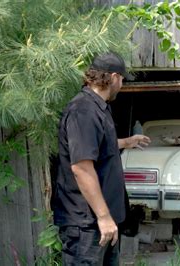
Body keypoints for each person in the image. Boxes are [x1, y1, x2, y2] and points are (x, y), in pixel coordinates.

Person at [52, 51, 151, 265]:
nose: (122, 84)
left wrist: (126, 142)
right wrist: (104, 217)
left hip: (101, 221)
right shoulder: (83, 110)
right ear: (114, 77)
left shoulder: (98, 108)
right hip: (87, 224)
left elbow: (94, 147)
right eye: (123, 79)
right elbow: (82, 167)